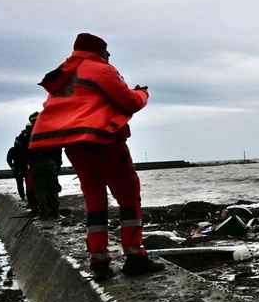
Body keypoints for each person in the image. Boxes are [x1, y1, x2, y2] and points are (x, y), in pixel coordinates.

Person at [29, 33, 163, 281]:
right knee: (128, 195)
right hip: (105, 141)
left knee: (94, 199)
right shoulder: (100, 69)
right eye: (106, 51)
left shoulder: (65, 75)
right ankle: (135, 256)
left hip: (76, 146)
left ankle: (99, 260)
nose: (109, 55)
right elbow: (129, 102)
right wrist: (143, 93)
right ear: (98, 51)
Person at [27, 112, 63, 218]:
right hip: (49, 163)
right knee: (53, 188)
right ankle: (55, 211)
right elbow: (57, 148)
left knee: (40, 189)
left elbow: (24, 152)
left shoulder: (28, 134)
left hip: (37, 165)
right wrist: (57, 163)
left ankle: (45, 212)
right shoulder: (49, 131)